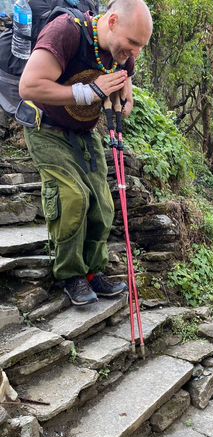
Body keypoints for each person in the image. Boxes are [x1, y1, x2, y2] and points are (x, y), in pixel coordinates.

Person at [19, 0, 153, 305]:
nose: (135, 54)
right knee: (73, 196)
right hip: (46, 126)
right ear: (113, 21)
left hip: (84, 131)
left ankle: (93, 272)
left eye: (141, 47)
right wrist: (88, 92)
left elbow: (127, 97)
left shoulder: (124, 54)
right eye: (133, 43)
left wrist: (122, 104)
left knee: (103, 204)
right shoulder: (66, 32)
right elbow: (29, 86)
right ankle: (70, 275)